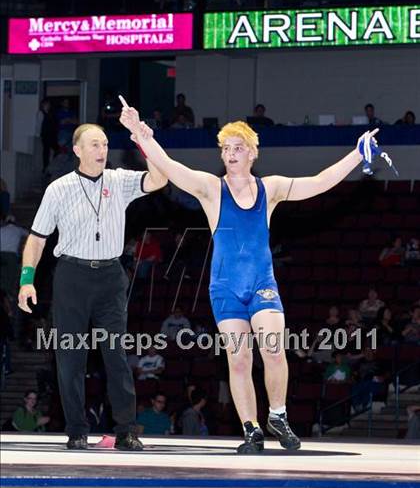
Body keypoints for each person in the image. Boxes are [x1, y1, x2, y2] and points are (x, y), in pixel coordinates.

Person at [120, 103, 378, 454]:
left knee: (273, 350)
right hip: (225, 288)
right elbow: (168, 166)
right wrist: (140, 132)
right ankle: (251, 430)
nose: (231, 153)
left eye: (238, 147)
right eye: (226, 148)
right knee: (239, 360)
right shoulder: (210, 188)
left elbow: (318, 184)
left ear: (253, 153)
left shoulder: (269, 189)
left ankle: (278, 414)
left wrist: (356, 154)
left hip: (261, 284)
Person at [17, 123, 167, 450]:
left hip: (111, 277)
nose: (102, 151)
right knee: (70, 357)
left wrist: (145, 143)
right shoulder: (58, 188)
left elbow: (159, 179)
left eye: (104, 144)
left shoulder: (119, 179)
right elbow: (37, 238)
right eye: (95, 145)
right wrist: (27, 280)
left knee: (115, 353)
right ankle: (76, 430)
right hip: (72, 276)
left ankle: (127, 430)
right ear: (78, 150)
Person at [0, 215, 28, 297]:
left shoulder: (1, 230)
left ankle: (3, 294)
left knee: (3, 274)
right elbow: (28, 234)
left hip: (1, 254)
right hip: (12, 256)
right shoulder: (18, 230)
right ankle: (9, 293)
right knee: (11, 276)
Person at [37, 99, 59, 170]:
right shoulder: (41, 113)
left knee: (55, 149)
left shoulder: (50, 114)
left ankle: (51, 165)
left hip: (51, 135)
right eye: (46, 104)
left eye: (48, 105)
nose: (48, 106)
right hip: (45, 134)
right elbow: (39, 125)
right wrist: (38, 134)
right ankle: (45, 166)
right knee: (46, 151)